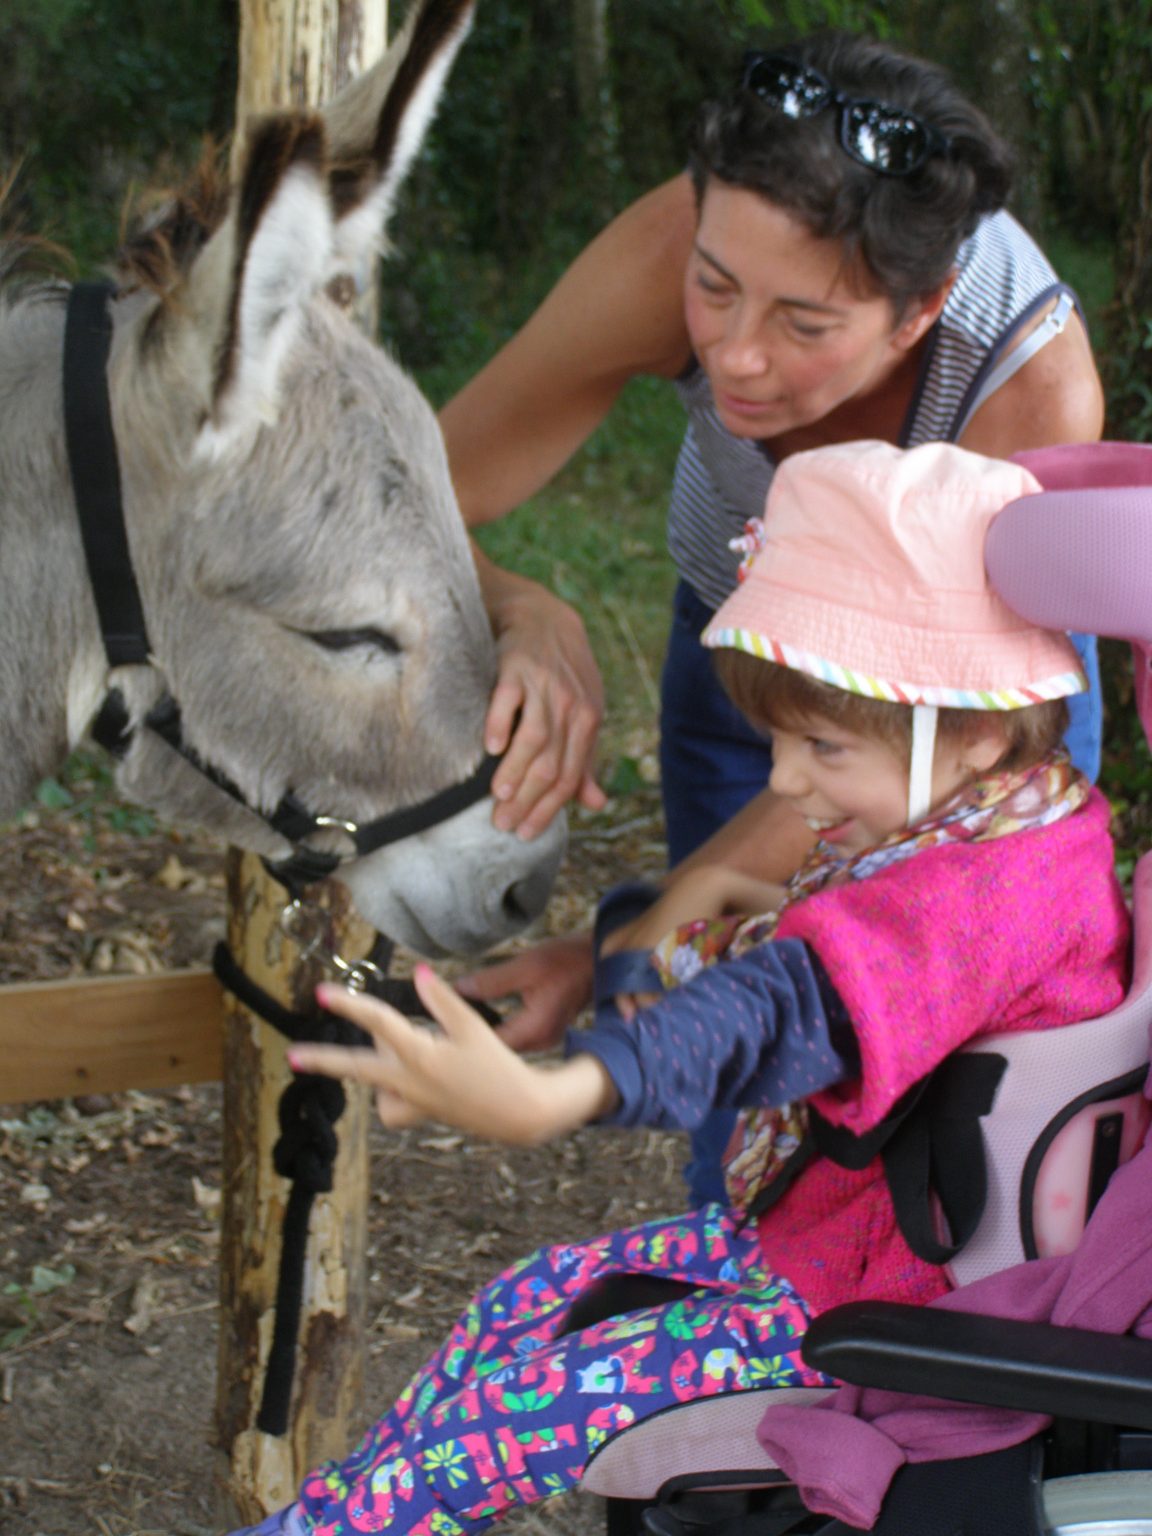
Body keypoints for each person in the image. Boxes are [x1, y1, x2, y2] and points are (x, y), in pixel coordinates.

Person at [226, 441, 1130, 1536]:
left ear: (976, 727)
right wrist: (674, 936)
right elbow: (826, 940)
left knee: (478, 1438)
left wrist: (565, 1094)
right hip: (822, 1249)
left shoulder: (985, 893)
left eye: (820, 745)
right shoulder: (1021, 822)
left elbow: (789, 1006)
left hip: (862, 1303)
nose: (786, 782)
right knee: (517, 1307)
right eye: (778, 741)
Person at [448, 32, 1106, 1202]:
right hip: (740, 645)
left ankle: (922, 1365)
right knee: (744, 1129)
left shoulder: (1028, 391)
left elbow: (873, 813)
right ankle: (753, 1304)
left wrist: (633, 956)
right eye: (715, 290)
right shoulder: (685, 245)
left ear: (922, 311)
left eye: (807, 326)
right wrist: (523, 606)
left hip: (944, 722)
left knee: (960, 1102)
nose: (739, 355)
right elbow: (422, 502)